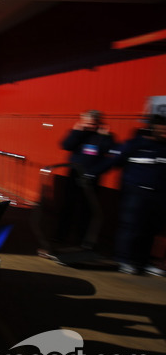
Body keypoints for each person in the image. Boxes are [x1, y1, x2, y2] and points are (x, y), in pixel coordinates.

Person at [90, 115, 166, 275]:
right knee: (131, 228)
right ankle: (123, 260)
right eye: (161, 129)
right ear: (151, 129)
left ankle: (143, 263)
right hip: (135, 194)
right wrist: (90, 174)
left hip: (158, 195)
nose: (164, 133)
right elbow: (112, 161)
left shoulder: (164, 148)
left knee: (150, 230)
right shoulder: (134, 145)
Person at [55, 110, 115, 248]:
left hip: (92, 177)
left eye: (92, 124)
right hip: (74, 174)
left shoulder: (105, 136)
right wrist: (77, 132)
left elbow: (110, 152)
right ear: (82, 121)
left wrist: (104, 137)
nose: (90, 126)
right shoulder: (78, 133)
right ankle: (60, 236)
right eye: (87, 123)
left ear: (98, 123)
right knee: (68, 206)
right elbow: (66, 146)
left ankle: (81, 239)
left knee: (87, 209)